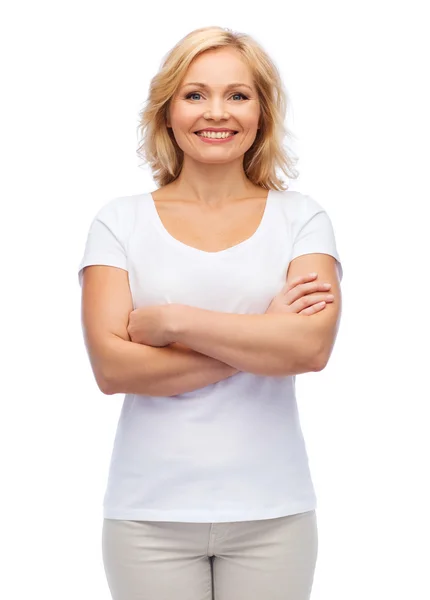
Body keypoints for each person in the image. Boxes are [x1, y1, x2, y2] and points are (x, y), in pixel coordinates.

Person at [78, 26, 343, 600]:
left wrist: (175, 322)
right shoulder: (119, 222)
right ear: (167, 112)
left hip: (275, 513)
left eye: (238, 95)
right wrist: (264, 336)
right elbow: (112, 370)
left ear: (262, 112)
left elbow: (310, 350)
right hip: (148, 516)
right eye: (195, 94)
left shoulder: (302, 220)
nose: (216, 112)